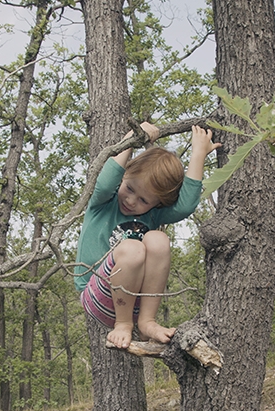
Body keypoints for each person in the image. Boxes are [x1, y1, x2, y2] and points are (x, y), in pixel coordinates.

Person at [74, 122, 220, 349]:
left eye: (144, 200)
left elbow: (185, 205)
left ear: (157, 204)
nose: (131, 201)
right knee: (132, 247)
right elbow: (106, 180)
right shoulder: (103, 202)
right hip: (96, 294)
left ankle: (147, 322)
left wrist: (198, 154)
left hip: (135, 302)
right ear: (125, 174)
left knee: (159, 239)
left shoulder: (153, 214)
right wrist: (132, 137)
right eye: (130, 189)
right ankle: (122, 324)